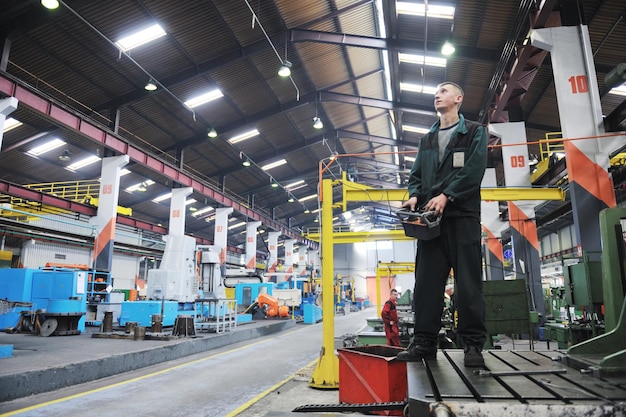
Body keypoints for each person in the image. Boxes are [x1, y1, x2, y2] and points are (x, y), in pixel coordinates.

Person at [396, 82, 488, 367]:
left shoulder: (474, 132)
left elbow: (474, 171)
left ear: (459, 98)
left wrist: (448, 195)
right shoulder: (426, 140)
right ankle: (424, 343)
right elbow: (416, 176)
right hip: (430, 223)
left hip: (462, 219)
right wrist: (413, 196)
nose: (437, 94)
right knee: (425, 285)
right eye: (435, 92)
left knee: (468, 285)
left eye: (444, 91)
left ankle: (472, 345)